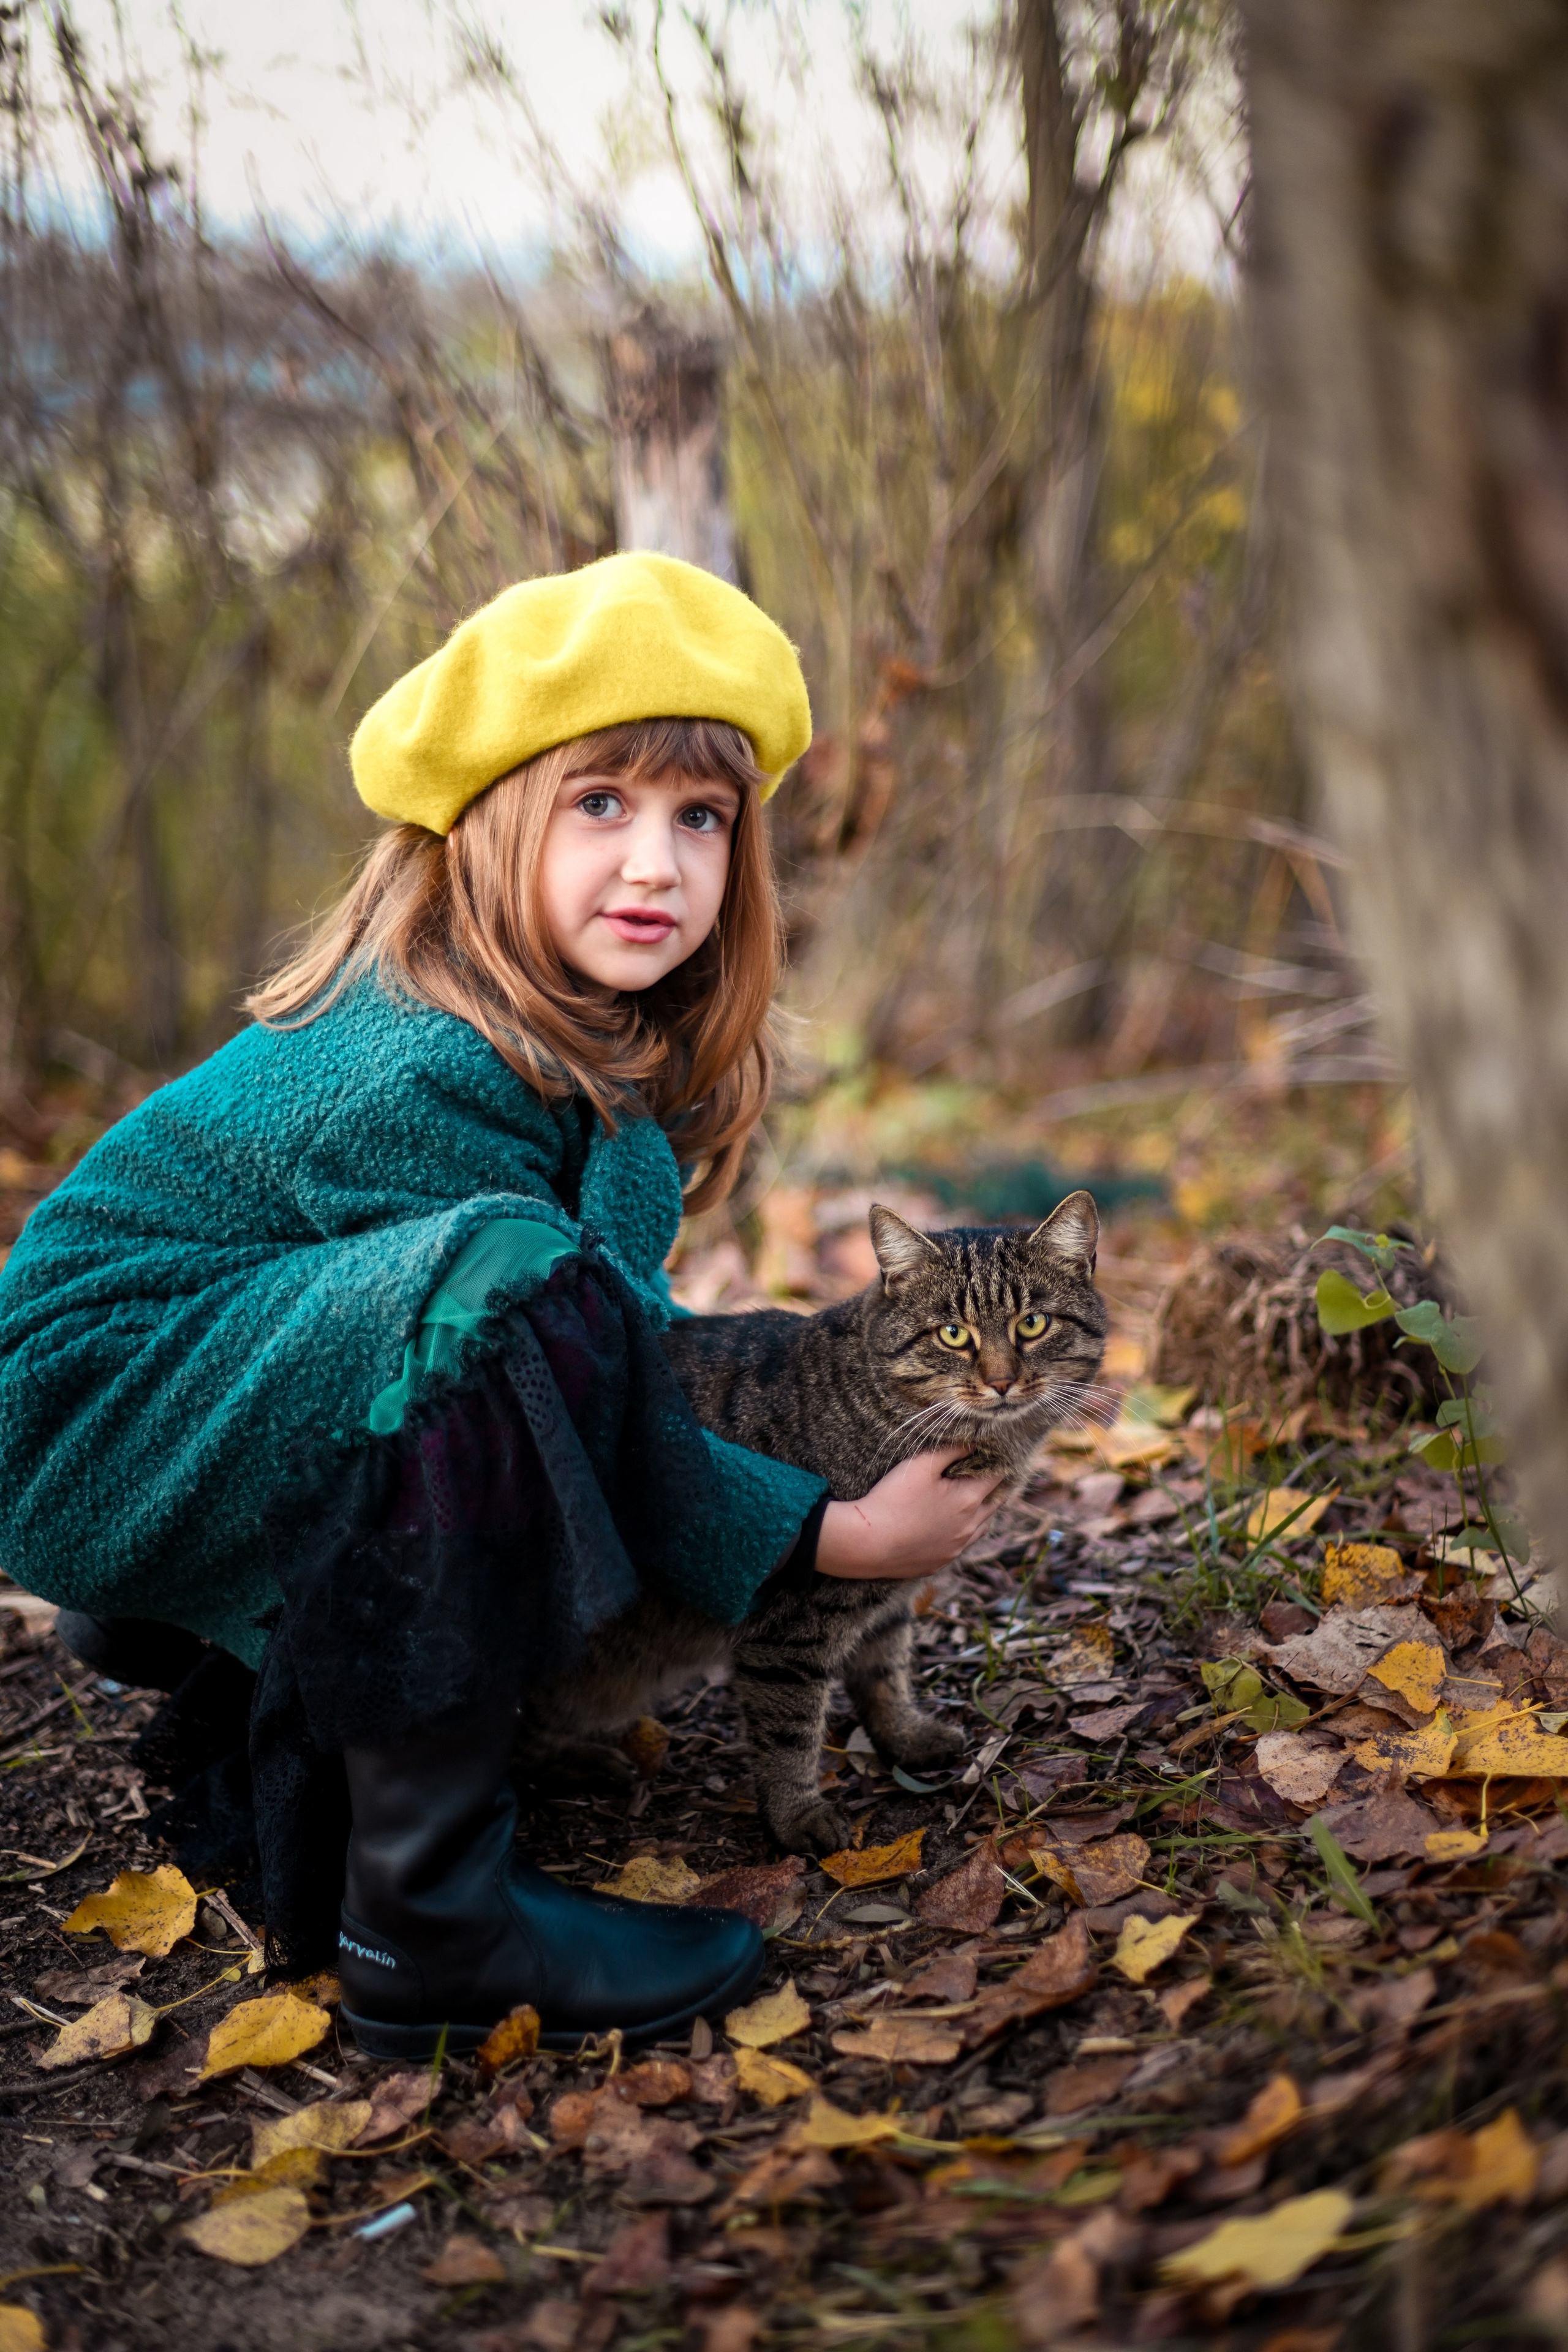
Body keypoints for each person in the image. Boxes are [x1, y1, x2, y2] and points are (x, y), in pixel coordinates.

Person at [0, 553, 1002, 2057]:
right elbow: (584, 1376)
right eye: (598, 805)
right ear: (480, 832)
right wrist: (829, 1532)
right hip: (88, 1414)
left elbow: (611, 1387)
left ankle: (227, 1651)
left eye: (700, 818)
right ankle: (424, 1916)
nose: (657, 864)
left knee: (535, 1313)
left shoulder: (581, 1065)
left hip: (216, 1387)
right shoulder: (414, 1062)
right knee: (508, 1288)